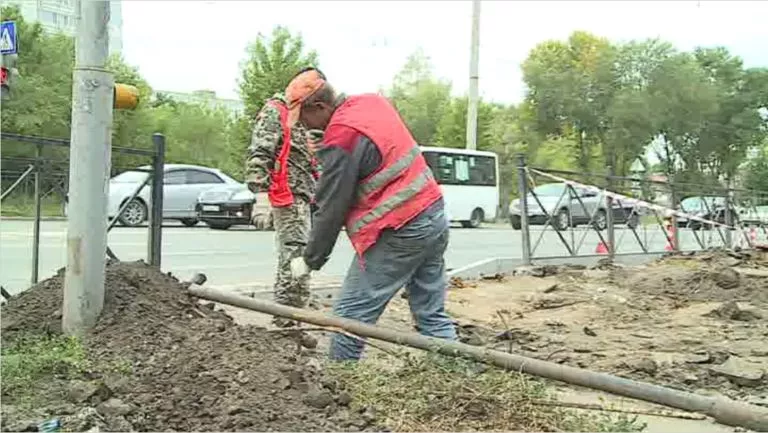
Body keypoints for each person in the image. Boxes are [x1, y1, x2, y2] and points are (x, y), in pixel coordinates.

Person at [286, 76, 458, 361]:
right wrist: (328, 145)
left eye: (304, 119)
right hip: (433, 214)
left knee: (348, 320)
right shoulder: (371, 103)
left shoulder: (343, 137)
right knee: (431, 314)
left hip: (400, 229)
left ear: (319, 106)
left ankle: (337, 390)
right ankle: (464, 381)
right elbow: (376, 150)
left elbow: (331, 207)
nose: (304, 126)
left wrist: (310, 259)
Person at [244, 68, 323, 327]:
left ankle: (292, 316)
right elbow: (260, 154)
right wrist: (261, 197)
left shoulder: (299, 116)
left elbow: (307, 159)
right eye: (310, 88)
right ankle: (286, 322)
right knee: (295, 256)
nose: (311, 94)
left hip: (301, 197)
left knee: (298, 255)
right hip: (286, 197)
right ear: (301, 85)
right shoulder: (275, 111)